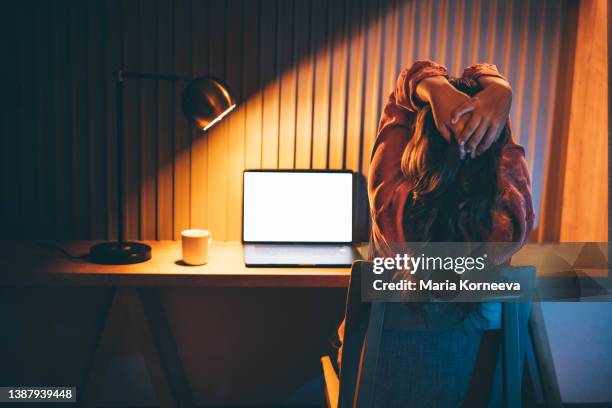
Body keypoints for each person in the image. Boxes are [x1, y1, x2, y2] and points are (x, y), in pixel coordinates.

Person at [336, 60, 534, 367]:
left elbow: (397, 103)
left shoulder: (391, 210)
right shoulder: (510, 226)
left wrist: (435, 87)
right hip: (465, 393)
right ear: (494, 145)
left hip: (386, 390)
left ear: (417, 147)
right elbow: (506, 149)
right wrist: (499, 91)